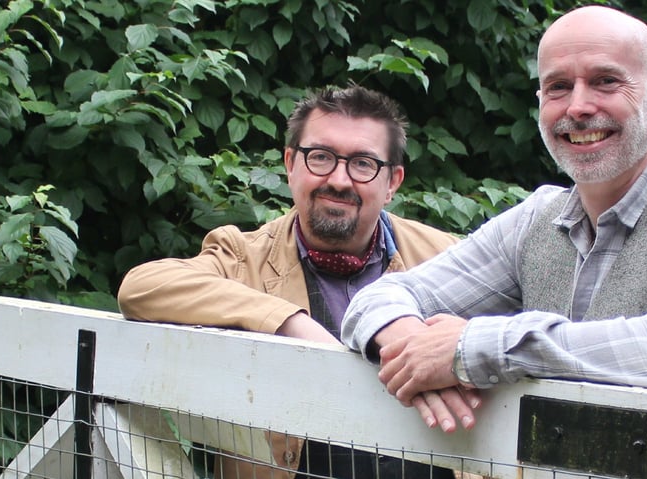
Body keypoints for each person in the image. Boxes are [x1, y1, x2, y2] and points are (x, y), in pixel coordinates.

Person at [339, 5, 647, 433]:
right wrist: (416, 350)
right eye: (558, 87)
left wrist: (477, 349)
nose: (578, 106)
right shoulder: (537, 219)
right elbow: (376, 298)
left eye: (606, 81)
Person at [118, 85, 464, 479]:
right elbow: (141, 287)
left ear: (392, 182)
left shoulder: (447, 256)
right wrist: (288, 322)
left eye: (363, 163)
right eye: (321, 157)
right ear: (290, 164)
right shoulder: (243, 257)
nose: (339, 179)